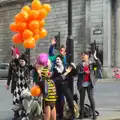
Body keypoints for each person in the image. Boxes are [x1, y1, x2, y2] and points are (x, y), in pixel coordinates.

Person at [7, 54, 31, 120]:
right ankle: (16, 113)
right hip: (17, 86)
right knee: (16, 99)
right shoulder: (17, 67)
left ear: (25, 61)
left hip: (25, 87)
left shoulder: (27, 67)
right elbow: (12, 65)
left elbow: (35, 67)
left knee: (24, 100)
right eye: (20, 61)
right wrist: (8, 83)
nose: (21, 62)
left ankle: (24, 113)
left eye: (23, 61)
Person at [51, 55, 75, 120]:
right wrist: (66, 73)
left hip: (65, 86)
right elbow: (55, 79)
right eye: (56, 60)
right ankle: (60, 115)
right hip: (58, 87)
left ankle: (73, 115)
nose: (57, 61)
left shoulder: (66, 67)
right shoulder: (54, 69)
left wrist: (74, 67)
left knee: (70, 100)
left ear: (62, 61)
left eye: (58, 59)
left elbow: (74, 74)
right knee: (59, 102)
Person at [77, 52, 97, 119]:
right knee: (82, 99)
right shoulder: (79, 64)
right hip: (82, 84)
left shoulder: (91, 63)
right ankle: (81, 114)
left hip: (89, 83)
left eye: (84, 55)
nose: (82, 56)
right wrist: (84, 72)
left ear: (87, 56)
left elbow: (95, 69)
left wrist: (95, 59)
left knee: (91, 98)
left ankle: (94, 113)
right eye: (82, 55)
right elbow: (78, 72)